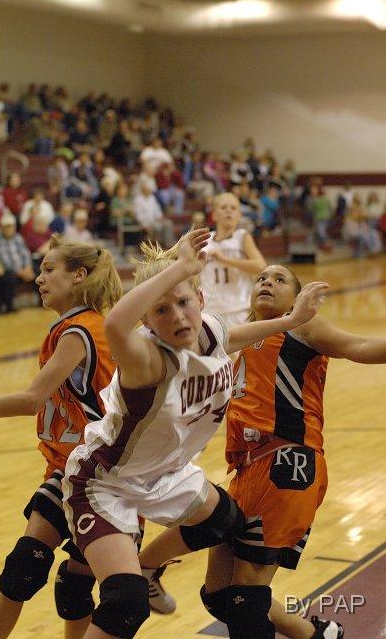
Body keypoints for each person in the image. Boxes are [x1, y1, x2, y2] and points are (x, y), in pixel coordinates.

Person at [62, 228, 328, 639]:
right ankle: (137, 579)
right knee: (126, 603)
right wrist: (183, 268)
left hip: (165, 474)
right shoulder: (146, 358)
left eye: (184, 303)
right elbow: (115, 323)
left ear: (201, 300)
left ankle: (147, 568)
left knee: (226, 519)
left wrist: (291, 320)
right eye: (161, 309)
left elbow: (233, 335)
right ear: (146, 320)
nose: (178, 316)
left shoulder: (208, 331)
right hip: (105, 482)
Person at [143, 261, 386, 638]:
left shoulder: (302, 326)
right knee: (219, 596)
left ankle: (145, 565)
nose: (267, 282)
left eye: (280, 279)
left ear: (297, 298)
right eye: (261, 278)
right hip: (248, 468)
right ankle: (318, 633)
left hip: (288, 461)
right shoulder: (239, 340)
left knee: (245, 595)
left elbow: (361, 346)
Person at [0, 235, 124, 639]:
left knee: (45, 576)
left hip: (99, 473)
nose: (38, 278)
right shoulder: (82, 327)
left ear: (79, 276)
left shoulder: (80, 331)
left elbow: (31, 399)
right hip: (76, 468)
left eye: (49, 270)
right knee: (45, 574)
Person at [199, 192, 266, 329]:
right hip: (208, 311)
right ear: (214, 215)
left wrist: (225, 259)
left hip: (239, 309)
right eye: (223, 207)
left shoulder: (242, 237)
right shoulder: (205, 240)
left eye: (233, 208)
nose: (228, 211)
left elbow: (261, 266)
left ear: (239, 215)